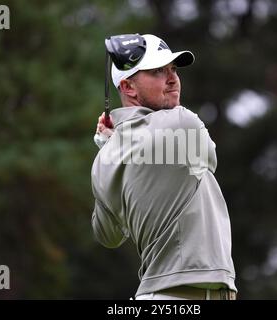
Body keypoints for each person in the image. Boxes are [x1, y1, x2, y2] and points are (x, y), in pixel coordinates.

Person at [91, 34, 237, 300]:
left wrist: (108, 148)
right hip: (180, 296)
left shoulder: (106, 158)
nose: (173, 79)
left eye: (173, 69)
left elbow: (107, 235)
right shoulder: (182, 124)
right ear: (129, 87)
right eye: (158, 71)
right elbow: (209, 159)